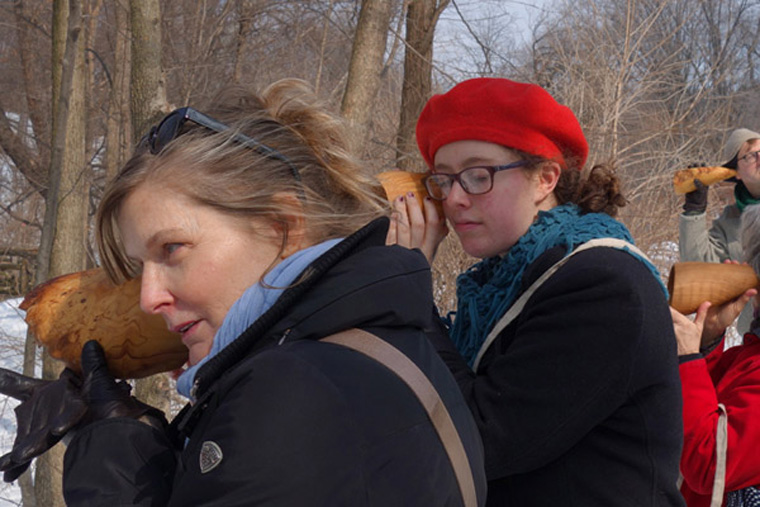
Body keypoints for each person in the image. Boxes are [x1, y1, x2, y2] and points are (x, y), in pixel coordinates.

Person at [0, 79, 487, 506]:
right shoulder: (374, 346)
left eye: (172, 248)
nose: (149, 298)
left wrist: (106, 462)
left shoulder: (295, 391)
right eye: (137, 268)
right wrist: (128, 437)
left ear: (281, 227)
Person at [387, 77, 685, 506]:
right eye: (443, 180)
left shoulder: (603, 284)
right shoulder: (502, 281)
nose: (453, 199)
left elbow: (476, 441)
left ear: (545, 178)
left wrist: (408, 286)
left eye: (476, 175)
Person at [672, 203, 760, 507]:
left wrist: (687, 359)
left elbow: (710, 464)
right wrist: (705, 342)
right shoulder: (746, 357)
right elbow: (699, 409)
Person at [679, 128, 760, 334]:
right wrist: (694, 211)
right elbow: (699, 264)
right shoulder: (730, 222)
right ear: (737, 173)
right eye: (751, 155)